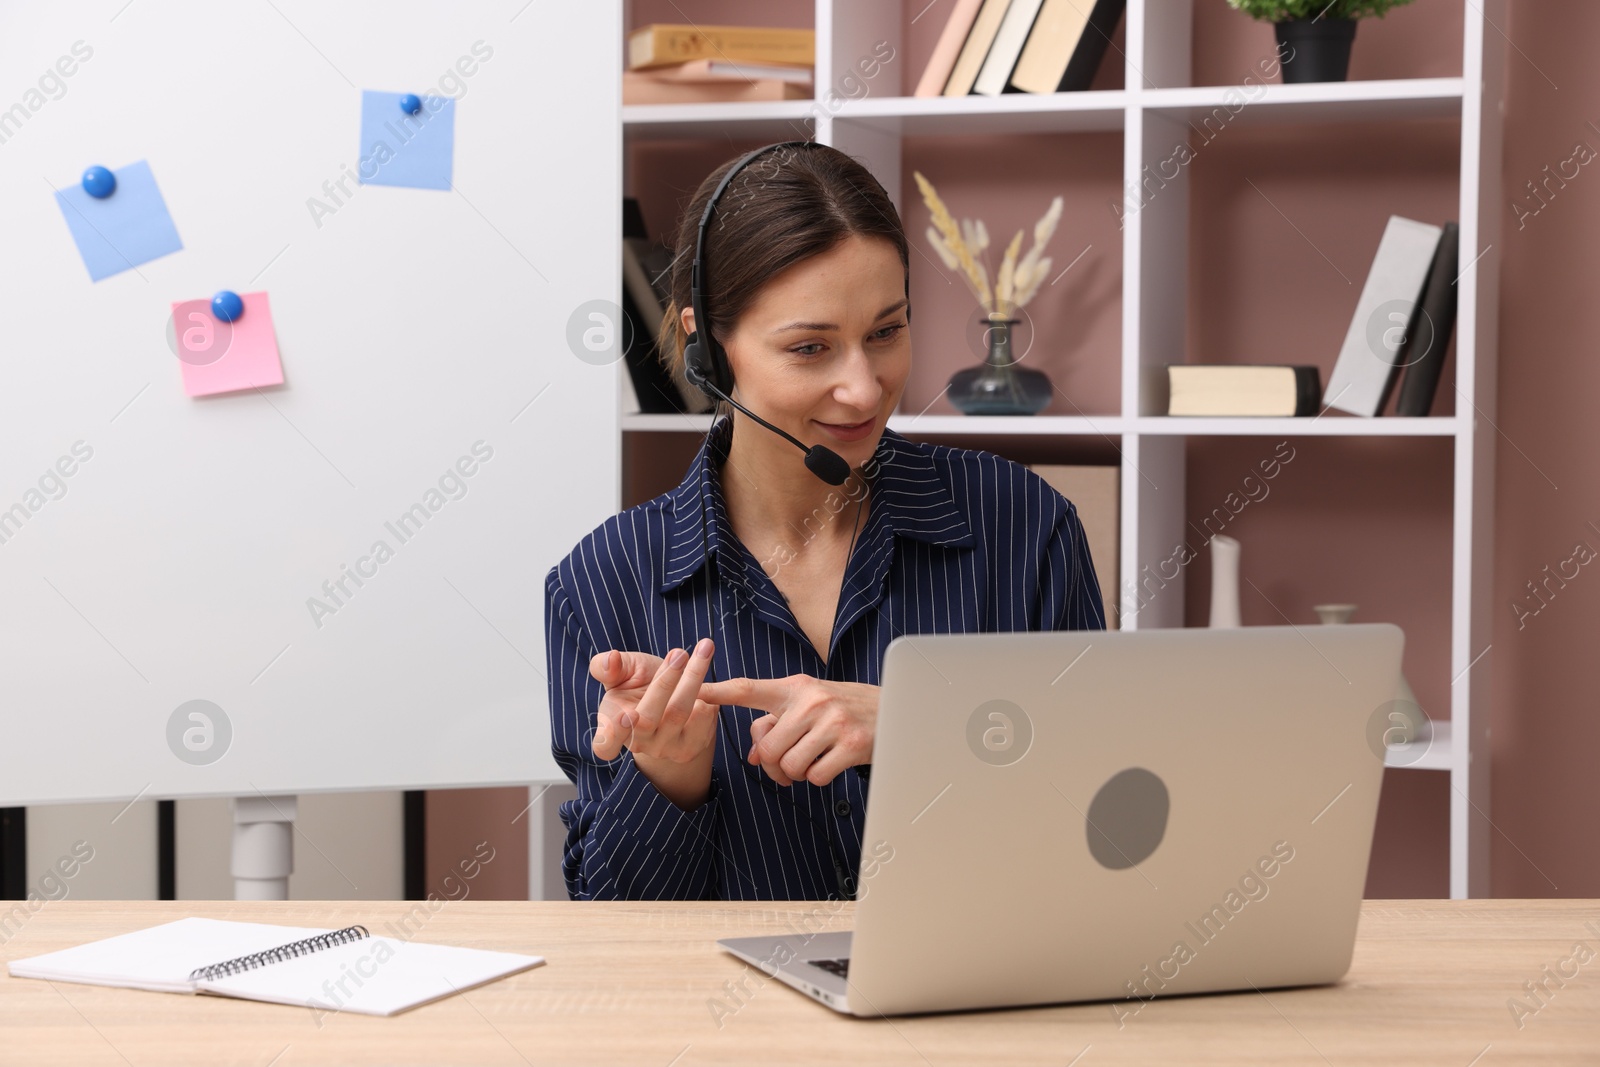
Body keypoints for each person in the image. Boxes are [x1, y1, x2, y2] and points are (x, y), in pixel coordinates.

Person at [544, 142, 1104, 901]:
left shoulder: (1023, 525)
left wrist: (925, 725)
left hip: (976, 1009)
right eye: (810, 348)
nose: (863, 388)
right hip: (727, 1021)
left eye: (886, 331)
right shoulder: (602, 581)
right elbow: (609, 923)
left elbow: (1101, 820)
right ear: (705, 347)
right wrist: (666, 779)